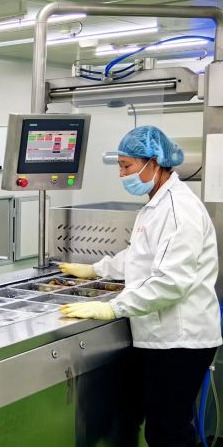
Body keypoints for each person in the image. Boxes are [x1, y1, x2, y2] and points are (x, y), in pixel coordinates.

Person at [59, 125, 221, 447]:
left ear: (154, 163)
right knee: (162, 427)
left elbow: (170, 282)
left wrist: (113, 307)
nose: (122, 175)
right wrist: (95, 269)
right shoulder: (156, 204)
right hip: (162, 337)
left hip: (180, 339)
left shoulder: (178, 210)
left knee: (168, 431)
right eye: (120, 167)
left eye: (126, 166)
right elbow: (139, 256)